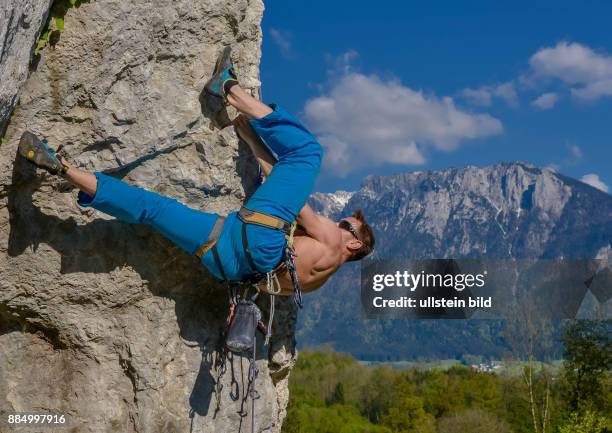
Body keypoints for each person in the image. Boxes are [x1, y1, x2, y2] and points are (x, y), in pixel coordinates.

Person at [17, 47, 375, 296]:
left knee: (308, 152)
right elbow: (281, 197)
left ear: (354, 243)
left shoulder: (331, 241)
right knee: (149, 209)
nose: (339, 221)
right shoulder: (317, 282)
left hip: (259, 239)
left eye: (347, 224)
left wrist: (252, 140)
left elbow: (292, 199)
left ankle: (229, 89)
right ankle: (60, 167)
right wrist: (251, 143)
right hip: (229, 264)